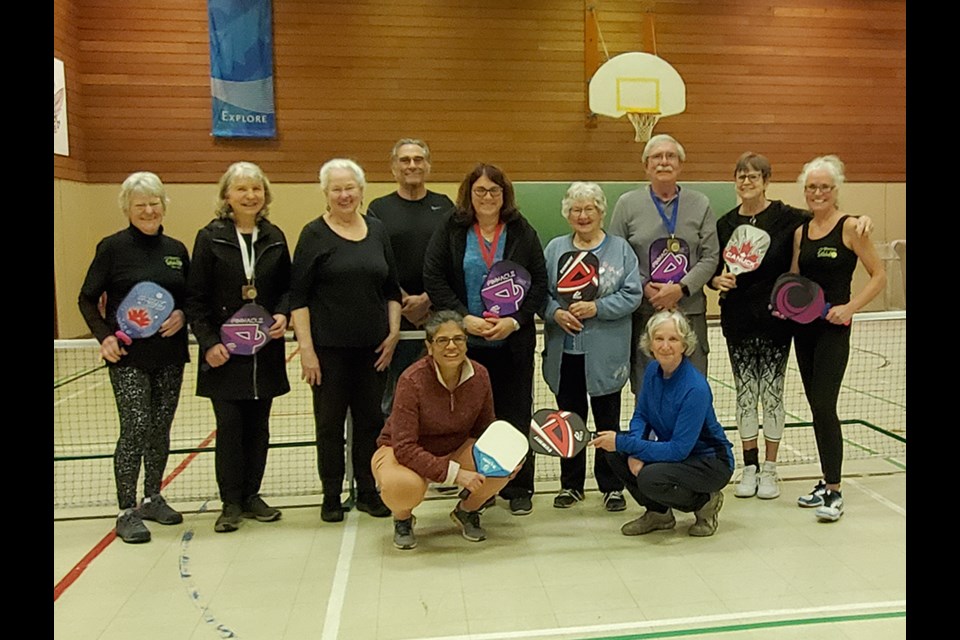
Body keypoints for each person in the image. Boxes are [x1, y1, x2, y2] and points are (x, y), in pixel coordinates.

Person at [710, 153, 874, 501]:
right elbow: (716, 264)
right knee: (747, 396)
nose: (747, 182)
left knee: (783, 397)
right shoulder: (730, 224)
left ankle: (779, 472)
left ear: (767, 181)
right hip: (754, 322)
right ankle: (753, 467)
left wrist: (864, 218)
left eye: (755, 176)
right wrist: (714, 281)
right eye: (741, 176)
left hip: (784, 326)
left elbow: (833, 222)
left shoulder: (789, 219)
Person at [423, 163, 547, 516]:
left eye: (495, 191)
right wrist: (464, 319)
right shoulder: (451, 227)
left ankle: (519, 486)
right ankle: (480, 485)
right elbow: (434, 277)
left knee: (515, 414)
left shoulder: (522, 230)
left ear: (504, 195)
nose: (488, 197)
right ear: (469, 194)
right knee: (473, 420)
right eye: (480, 191)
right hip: (466, 345)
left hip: (512, 343)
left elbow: (539, 282)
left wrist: (516, 321)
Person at [78, 171, 190, 544]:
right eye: (140, 204)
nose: (148, 210)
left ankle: (152, 497)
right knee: (136, 426)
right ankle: (126, 510)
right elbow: (87, 298)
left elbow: (189, 298)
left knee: (160, 428)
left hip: (170, 356)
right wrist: (104, 336)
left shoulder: (176, 250)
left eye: (154, 202)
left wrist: (183, 315)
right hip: (127, 358)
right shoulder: (112, 248)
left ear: (164, 205)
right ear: (127, 208)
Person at [290, 158, 401, 523]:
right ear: (325, 193)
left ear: (361, 190)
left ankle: (369, 491)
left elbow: (390, 290)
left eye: (349, 187)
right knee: (329, 424)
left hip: (373, 351)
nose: (344, 194)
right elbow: (299, 298)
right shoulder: (313, 235)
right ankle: (331, 494)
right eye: (336, 189)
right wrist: (307, 351)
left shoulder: (378, 230)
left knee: (372, 422)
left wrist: (393, 334)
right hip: (328, 352)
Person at [185, 161, 291, 533]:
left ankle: (252, 495)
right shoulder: (210, 237)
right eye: (242, 189)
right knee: (229, 425)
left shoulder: (275, 237)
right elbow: (195, 299)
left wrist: (282, 315)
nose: (250, 195)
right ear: (227, 196)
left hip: (264, 351)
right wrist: (209, 343)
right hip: (224, 354)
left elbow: (287, 290)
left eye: (256, 189)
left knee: (259, 426)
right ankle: (230, 501)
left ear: (265, 195)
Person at [790, 155, 885, 522]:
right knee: (816, 406)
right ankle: (824, 480)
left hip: (834, 330)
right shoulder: (802, 231)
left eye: (824, 187)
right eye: (812, 187)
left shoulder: (851, 228)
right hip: (804, 331)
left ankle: (835, 491)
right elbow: (795, 279)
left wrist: (849, 308)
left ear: (835, 190)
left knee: (826, 406)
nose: (817, 193)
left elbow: (878, 276)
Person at [540, 182, 643, 512]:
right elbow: (539, 294)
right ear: (567, 214)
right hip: (565, 352)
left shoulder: (620, 249)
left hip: (606, 354)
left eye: (589, 209)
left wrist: (597, 308)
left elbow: (632, 295)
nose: (583, 215)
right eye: (575, 209)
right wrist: (555, 313)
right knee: (568, 420)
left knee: (607, 422)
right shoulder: (555, 249)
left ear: (601, 212)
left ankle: (612, 485)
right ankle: (570, 485)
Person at [372, 311, 512, 549]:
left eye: (458, 339)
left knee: (502, 464)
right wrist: (454, 473)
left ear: (466, 343)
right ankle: (403, 518)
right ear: (429, 346)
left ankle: (467, 511)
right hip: (402, 451)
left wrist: (506, 455)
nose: (452, 346)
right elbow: (404, 447)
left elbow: (485, 429)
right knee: (402, 487)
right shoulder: (411, 380)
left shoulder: (480, 375)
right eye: (442, 340)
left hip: (455, 448)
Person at [591, 310, 734, 538]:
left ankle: (705, 502)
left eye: (673, 339)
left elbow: (679, 449)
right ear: (649, 342)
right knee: (614, 453)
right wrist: (633, 447)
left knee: (649, 476)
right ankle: (659, 514)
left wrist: (631, 447)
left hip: (709, 461)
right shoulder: (652, 372)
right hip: (677, 452)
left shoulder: (695, 388)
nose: (665, 346)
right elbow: (641, 416)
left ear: (685, 345)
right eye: (659, 338)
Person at [608, 134, 720, 396]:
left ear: (680, 165)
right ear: (646, 165)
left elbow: (710, 256)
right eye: (657, 157)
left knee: (692, 390)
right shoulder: (627, 204)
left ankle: (689, 439)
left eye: (670, 156)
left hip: (689, 311)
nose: (664, 162)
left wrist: (680, 289)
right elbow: (617, 255)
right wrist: (646, 288)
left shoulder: (700, 203)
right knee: (648, 390)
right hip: (645, 312)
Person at [366, 138, 455, 419]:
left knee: (440, 395)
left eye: (418, 159)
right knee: (394, 401)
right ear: (393, 168)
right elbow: (375, 259)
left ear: (428, 166)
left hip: (437, 314)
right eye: (405, 160)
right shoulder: (378, 209)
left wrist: (428, 299)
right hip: (394, 317)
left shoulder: (445, 207)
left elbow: (452, 259)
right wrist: (405, 300)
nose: (412, 165)